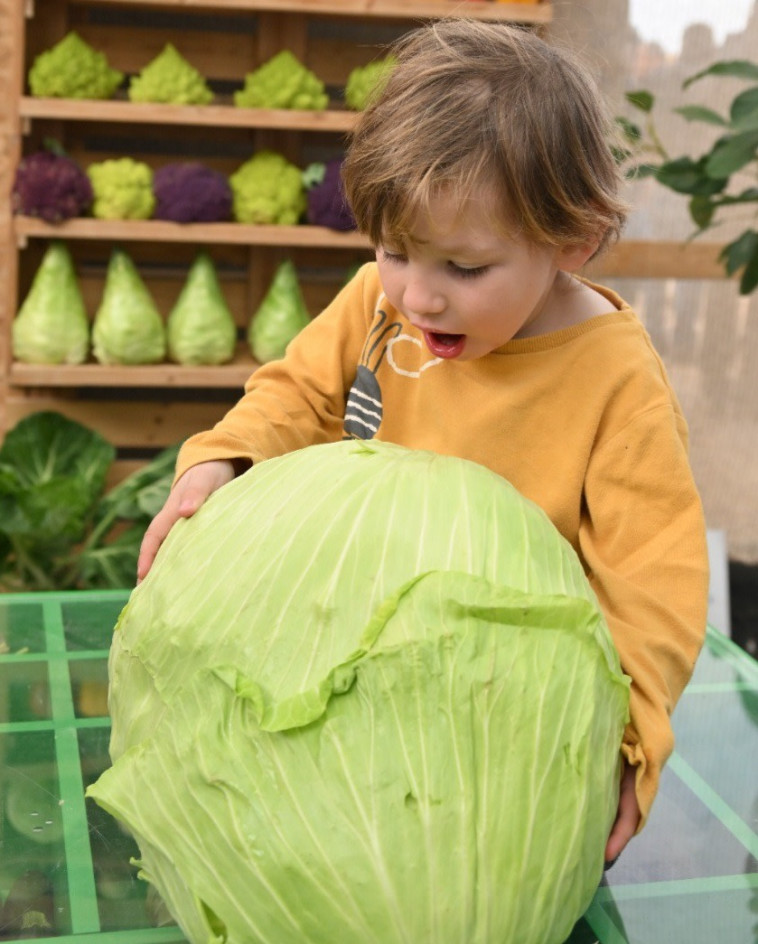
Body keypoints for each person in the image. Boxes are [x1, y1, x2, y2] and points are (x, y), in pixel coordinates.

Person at [137, 20, 709, 865]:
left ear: (573, 240)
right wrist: (228, 456)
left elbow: (652, 571)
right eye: (395, 250)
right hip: (349, 669)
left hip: (498, 715)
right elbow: (296, 394)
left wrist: (631, 737)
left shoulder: (617, 376)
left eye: (464, 270)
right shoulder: (379, 299)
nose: (419, 297)